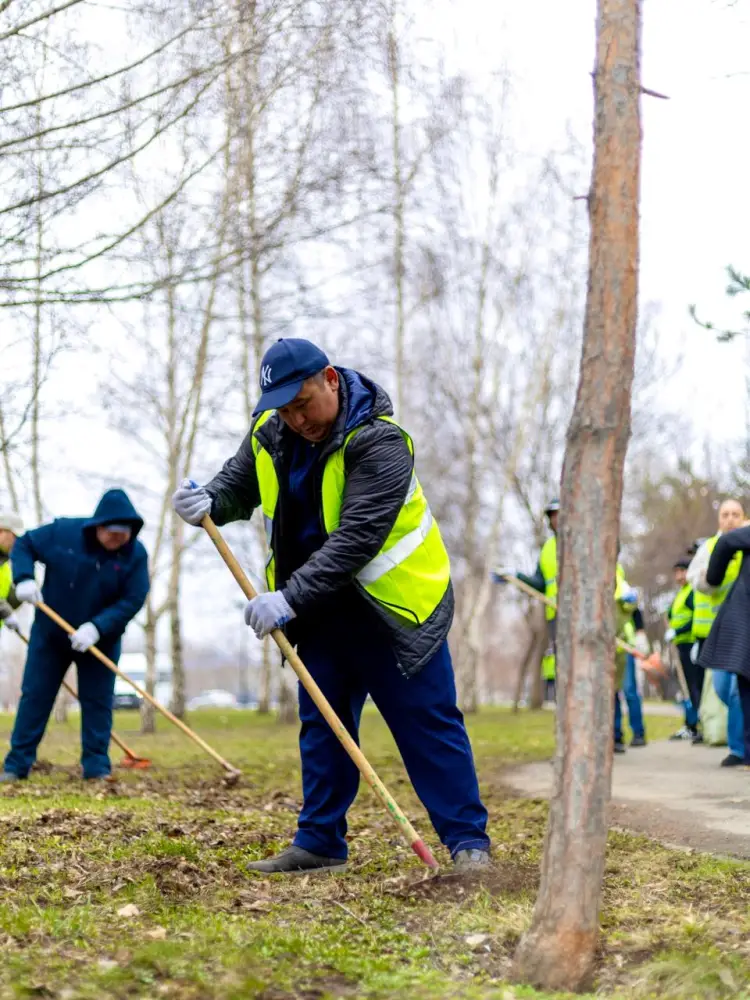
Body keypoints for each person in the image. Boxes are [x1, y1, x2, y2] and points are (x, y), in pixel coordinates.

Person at [173, 338, 491, 873]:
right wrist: (208, 499)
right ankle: (320, 842)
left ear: (330, 380)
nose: (296, 419)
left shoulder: (381, 442)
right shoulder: (271, 433)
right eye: (284, 409)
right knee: (322, 726)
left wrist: (287, 598)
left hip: (392, 611)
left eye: (303, 403)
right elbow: (237, 485)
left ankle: (468, 844)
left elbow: (357, 538)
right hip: (318, 614)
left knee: (427, 725)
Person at [0, 490, 149, 783]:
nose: (117, 541)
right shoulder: (63, 533)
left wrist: (98, 627)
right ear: (99, 526)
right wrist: (24, 577)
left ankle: (96, 768)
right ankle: (16, 766)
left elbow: (133, 599)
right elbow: (25, 545)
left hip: (100, 640)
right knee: (36, 697)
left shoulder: (136, 554)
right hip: (51, 635)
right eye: (112, 534)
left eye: (124, 535)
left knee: (98, 701)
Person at [688, 499, 746, 767]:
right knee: (723, 688)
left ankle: (738, 749)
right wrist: (710, 577)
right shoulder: (710, 547)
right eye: (726, 514)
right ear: (718, 519)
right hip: (713, 632)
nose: (730, 518)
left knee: (738, 690)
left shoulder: (745, 542)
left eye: (736, 514)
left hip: (741, 630)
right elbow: (695, 580)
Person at [493, 498, 560, 697]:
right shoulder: (547, 549)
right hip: (555, 615)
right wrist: (515, 575)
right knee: (563, 663)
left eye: (559, 514)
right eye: (553, 516)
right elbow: (540, 584)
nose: (557, 519)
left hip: (580, 613)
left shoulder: (581, 541)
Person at [665, 557, 699, 741]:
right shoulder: (681, 593)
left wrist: (676, 630)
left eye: (682, 571)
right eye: (676, 572)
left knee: (692, 686)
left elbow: (693, 618)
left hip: (690, 643)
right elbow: (674, 614)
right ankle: (689, 723)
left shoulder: (692, 592)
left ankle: (695, 724)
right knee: (685, 686)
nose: (679, 575)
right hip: (680, 645)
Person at [0, 511, 24, 634]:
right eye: (15, 537)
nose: (17, 542)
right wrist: (6, 612)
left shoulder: (5, 565)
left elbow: (8, 600)